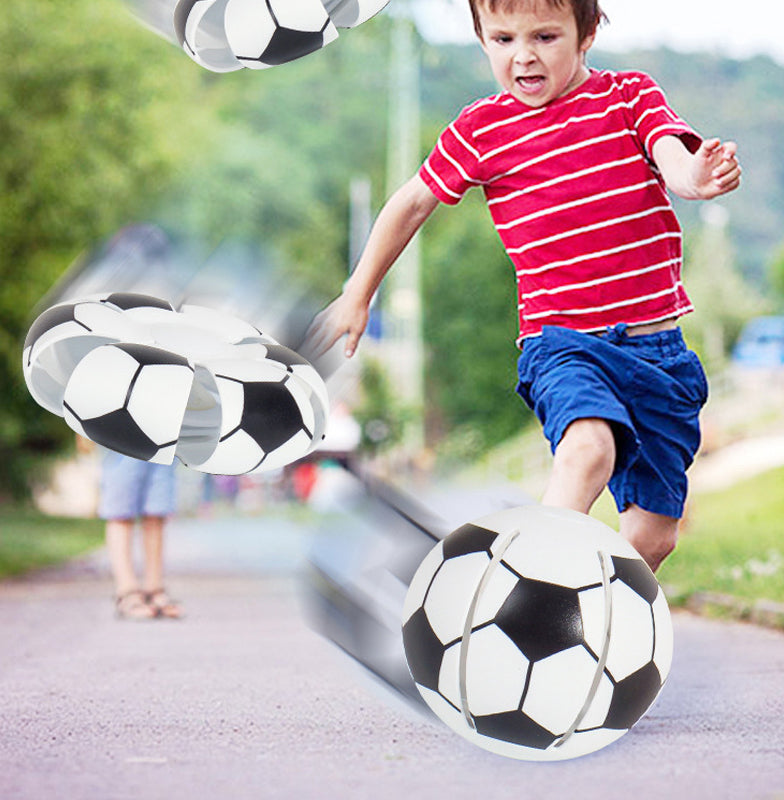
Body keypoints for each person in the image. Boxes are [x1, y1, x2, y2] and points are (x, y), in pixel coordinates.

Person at [305, 0, 742, 572]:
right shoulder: (481, 130)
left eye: (544, 36)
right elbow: (411, 202)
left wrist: (696, 176)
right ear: (482, 40)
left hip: (657, 351)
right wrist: (357, 292)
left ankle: (588, 629)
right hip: (563, 344)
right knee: (588, 451)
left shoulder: (628, 97)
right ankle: (524, 588)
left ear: (586, 34)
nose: (524, 56)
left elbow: (673, 157)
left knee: (654, 536)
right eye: (503, 39)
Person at [98, 449, 184, 620]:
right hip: (120, 430)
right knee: (120, 511)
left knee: (157, 509)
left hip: (165, 430)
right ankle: (127, 592)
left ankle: (154, 589)